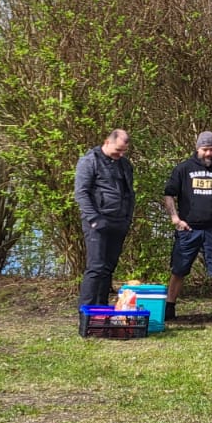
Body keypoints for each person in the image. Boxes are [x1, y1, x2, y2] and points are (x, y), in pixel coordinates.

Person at [163, 131, 212, 324]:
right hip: (188, 229)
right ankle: (169, 308)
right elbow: (168, 194)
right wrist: (175, 218)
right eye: (205, 149)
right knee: (178, 269)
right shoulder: (183, 169)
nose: (208, 153)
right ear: (197, 148)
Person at [74, 129, 134, 307]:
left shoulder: (125, 165)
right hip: (97, 222)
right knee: (96, 267)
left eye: (124, 151)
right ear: (107, 142)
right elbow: (81, 193)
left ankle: (101, 310)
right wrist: (93, 219)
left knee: (108, 268)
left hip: (119, 221)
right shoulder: (89, 161)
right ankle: (86, 312)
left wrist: (127, 218)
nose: (120, 154)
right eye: (118, 150)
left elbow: (129, 193)